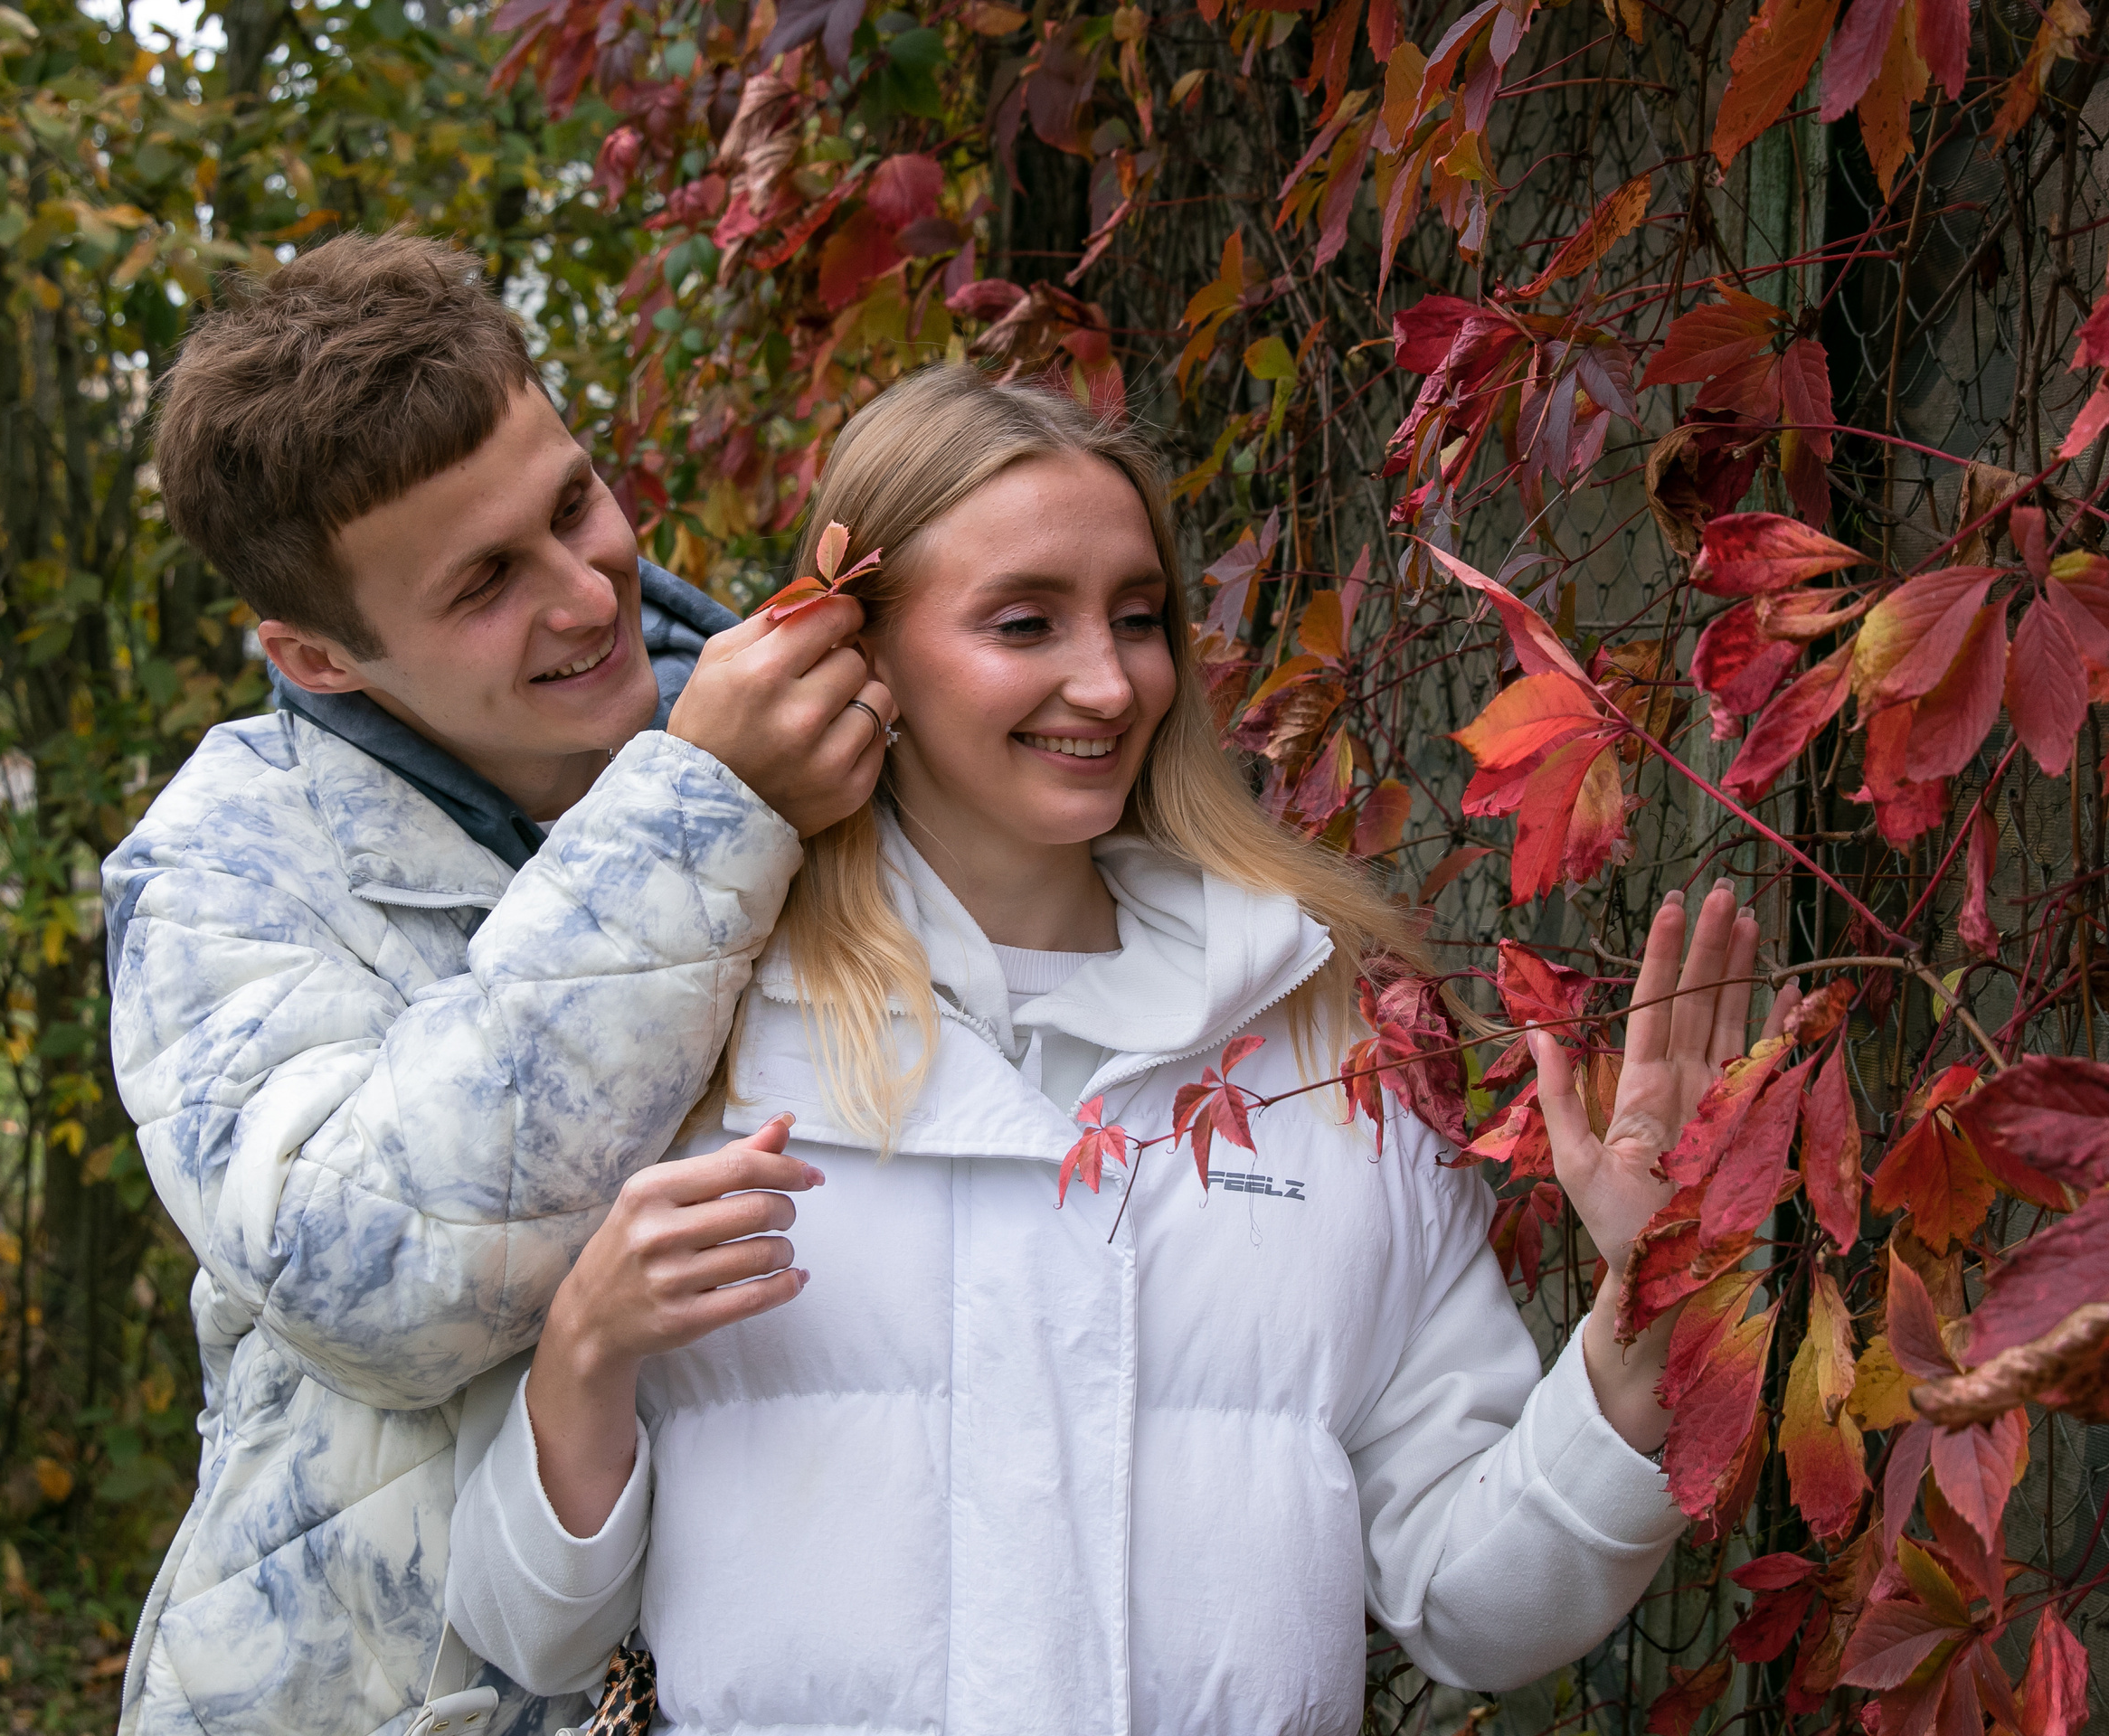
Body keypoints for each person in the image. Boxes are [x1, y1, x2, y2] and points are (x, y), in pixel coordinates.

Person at [443, 365, 1806, 1735]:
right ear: (859, 647)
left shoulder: (1323, 1041)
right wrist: (584, 1353)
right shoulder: (702, 1037)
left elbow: (1478, 1609)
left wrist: (1647, 1321)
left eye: (1140, 619)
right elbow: (528, 1637)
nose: (1107, 681)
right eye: (1024, 620)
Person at [100, 231, 901, 1736]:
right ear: (320, 656)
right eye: (484, 583)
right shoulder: (220, 870)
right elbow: (370, 1272)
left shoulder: (807, 722)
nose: (588, 593)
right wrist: (707, 812)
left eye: (574, 503)